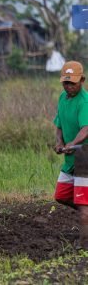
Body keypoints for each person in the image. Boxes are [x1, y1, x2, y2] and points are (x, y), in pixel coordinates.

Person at [53, 60, 88, 250]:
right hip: (70, 157)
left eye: (72, 83)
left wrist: (72, 143)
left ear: (81, 80)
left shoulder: (85, 101)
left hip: (84, 156)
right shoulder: (62, 98)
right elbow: (58, 124)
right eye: (66, 83)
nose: (69, 86)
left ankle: (84, 246)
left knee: (83, 208)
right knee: (61, 195)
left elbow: (86, 128)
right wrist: (59, 142)